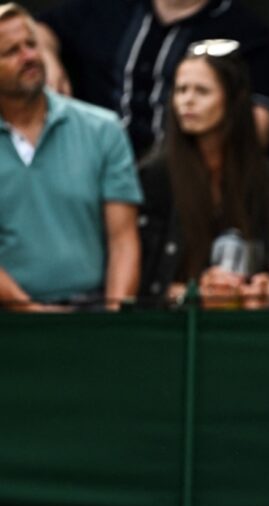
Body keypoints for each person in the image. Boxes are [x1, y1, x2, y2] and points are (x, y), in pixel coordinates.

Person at [0, 3, 142, 312]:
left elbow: (123, 239)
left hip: (91, 312)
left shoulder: (103, 129)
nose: (29, 56)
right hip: (8, 320)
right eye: (11, 51)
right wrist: (30, 311)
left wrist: (114, 320)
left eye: (31, 44)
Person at [138, 39, 269, 310]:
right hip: (174, 322)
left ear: (233, 99)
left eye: (202, 91)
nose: (187, 101)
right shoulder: (155, 175)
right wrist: (195, 294)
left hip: (248, 320)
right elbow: (142, 282)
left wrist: (267, 289)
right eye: (181, 90)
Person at [35, 0, 269, 158]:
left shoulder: (244, 32)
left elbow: (259, 127)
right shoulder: (107, 8)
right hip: (95, 163)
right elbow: (39, 28)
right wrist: (48, 59)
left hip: (181, 179)